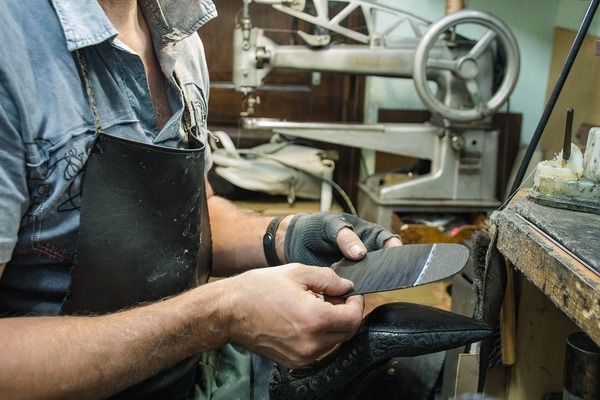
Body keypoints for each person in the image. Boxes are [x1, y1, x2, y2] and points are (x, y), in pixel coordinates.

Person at [0, 1, 401, 399]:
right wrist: (219, 315)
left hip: (184, 374)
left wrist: (287, 236)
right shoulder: (12, 43)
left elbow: (190, 216)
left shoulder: (180, 37)